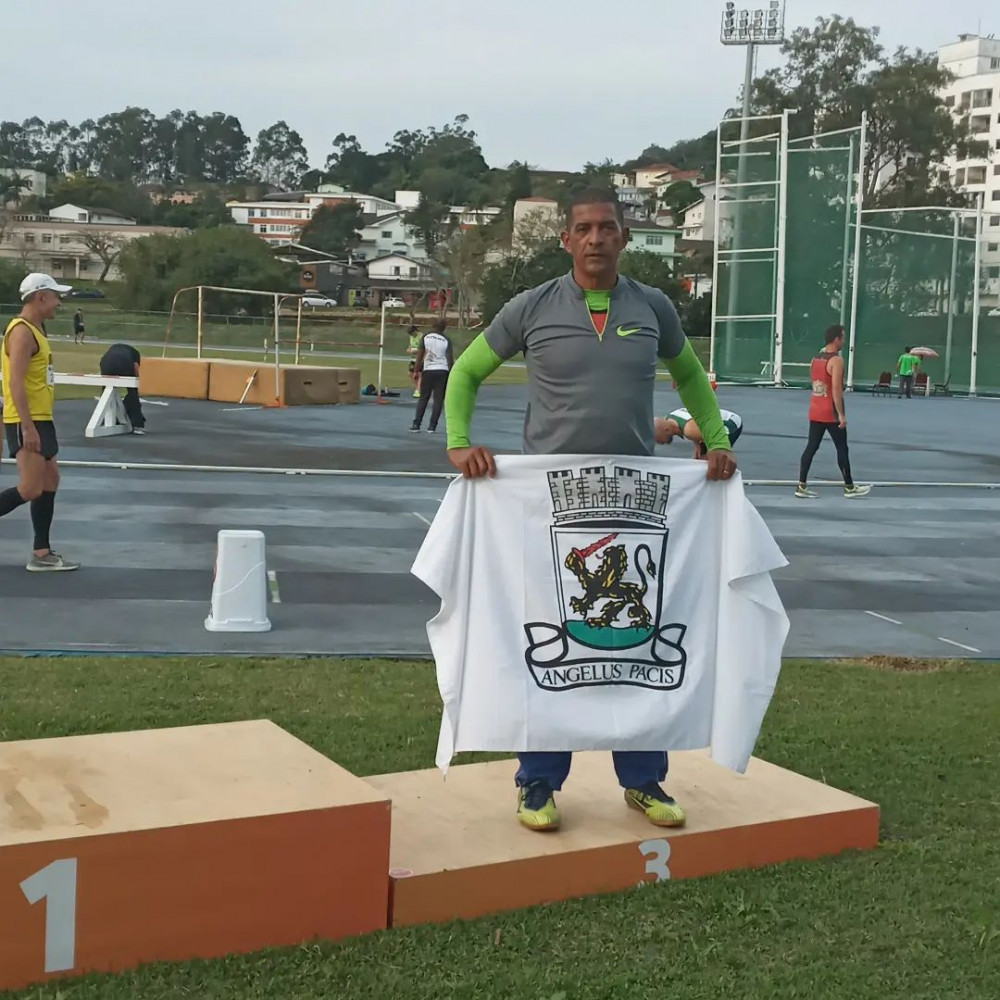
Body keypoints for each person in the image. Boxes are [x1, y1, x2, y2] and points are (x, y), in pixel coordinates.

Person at [443, 187, 736, 832]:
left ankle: (644, 781)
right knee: (555, 636)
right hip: (548, 506)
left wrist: (714, 440)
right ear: (566, 239)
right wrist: (459, 442)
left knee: (633, 639)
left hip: (634, 501)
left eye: (608, 227)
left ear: (625, 236)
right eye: (584, 229)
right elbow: (463, 373)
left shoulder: (652, 307)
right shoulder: (533, 307)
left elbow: (691, 377)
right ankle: (538, 784)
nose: (597, 238)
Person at [0, 273, 81, 571]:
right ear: (40, 297)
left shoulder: (37, 329)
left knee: (50, 480)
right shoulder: (21, 332)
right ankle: (41, 554)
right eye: (55, 296)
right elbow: (15, 384)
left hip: (41, 418)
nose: (58, 302)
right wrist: (27, 426)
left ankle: (42, 553)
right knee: (31, 488)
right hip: (28, 420)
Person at [796, 325, 871, 500]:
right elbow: (836, 390)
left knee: (811, 447)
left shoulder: (815, 359)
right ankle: (849, 486)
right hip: (830, 411)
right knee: (841, 447)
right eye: (843, 338)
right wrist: (841, 415)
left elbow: (814, 381)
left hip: (815, 408)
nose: (844, 341)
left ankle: (801, 485)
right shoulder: (836, 361)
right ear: (836, 339)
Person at [410, 318, 453, 434]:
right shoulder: (446, 339)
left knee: (423, 398)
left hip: (428, 370)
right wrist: (451, 374)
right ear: (444, 328)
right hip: (442, 370)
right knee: (438, 400)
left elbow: (420, 355)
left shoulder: (426, 337)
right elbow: (450, 359)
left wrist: (416, 371)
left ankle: (416, 424)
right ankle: (432, 426)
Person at [655, 405, 742, 458]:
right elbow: (696, 421)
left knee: (713, 461)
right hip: (721, 418)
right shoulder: (670, 417)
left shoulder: (690, 430)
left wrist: (713, 454)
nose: (658, 443)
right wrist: (697, 444)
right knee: (700, 458)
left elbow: (715, 438)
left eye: (658, 439)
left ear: (666, 430)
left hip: (729, 423)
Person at [99, 342, 145, 434]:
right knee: (133, 393)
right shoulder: (135, 353)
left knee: (107, 392)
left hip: (106, 363)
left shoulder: (113, 348)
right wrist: (135, 383)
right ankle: (137, 424)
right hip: (125, 362)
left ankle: (104, 420)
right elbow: (136, 368)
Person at [406, 324, 422, 398]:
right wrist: (409, 350)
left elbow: (423, 348)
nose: (412, 335)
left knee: (419, 374)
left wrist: (416, 351)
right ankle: (418, 388)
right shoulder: (411, 337)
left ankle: (418, 390)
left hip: (420, 358)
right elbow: (410, 345)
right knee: (410, 373)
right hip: (413, 358)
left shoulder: (421, 336)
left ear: (415, 330)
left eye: (412, 333)